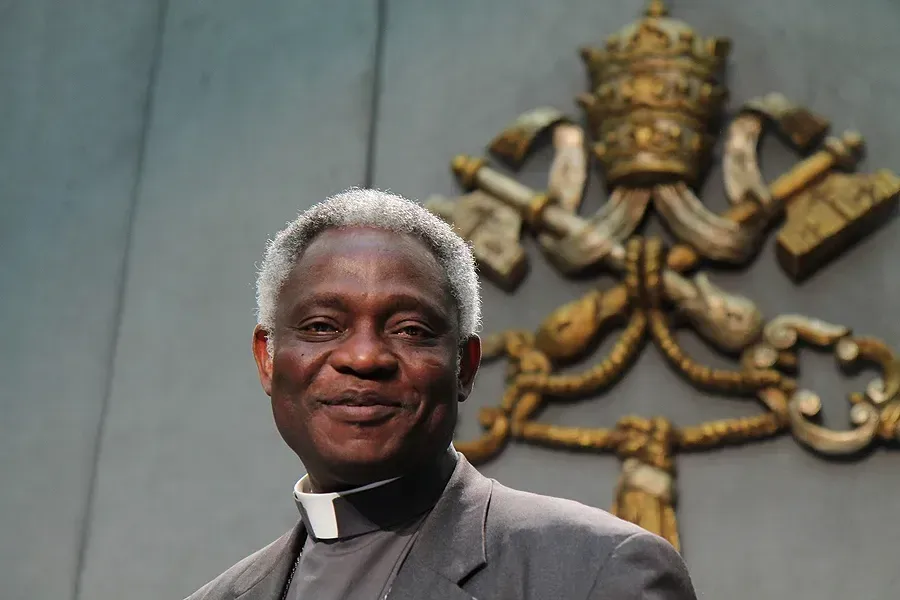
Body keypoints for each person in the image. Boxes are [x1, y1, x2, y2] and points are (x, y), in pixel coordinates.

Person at [185, 188, 697, 600]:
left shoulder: (596, 571)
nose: (365, 358)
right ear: (268, 359)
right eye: (322, 326)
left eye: (409, 329)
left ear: (464, 367)